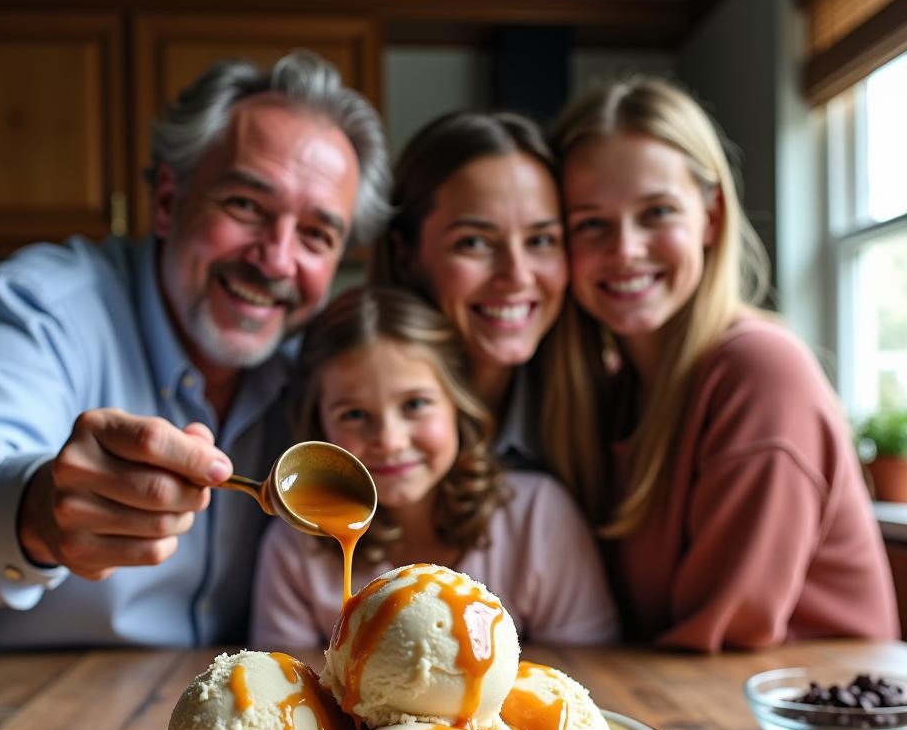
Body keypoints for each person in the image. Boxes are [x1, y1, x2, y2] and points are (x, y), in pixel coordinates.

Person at [0, 51, 390, 652]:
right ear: (168, 202)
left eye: (316, 234)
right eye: (246, 206)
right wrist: (38, 513)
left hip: (195, 722)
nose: (277, 259)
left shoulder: (318, 365)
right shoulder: (38, 305)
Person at [546, 75, 898, 651]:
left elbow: (720, 639)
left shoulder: (760, 372)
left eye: (656, 212)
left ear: (710, 218)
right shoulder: (617, 390)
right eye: (590, 223)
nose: (626, 249)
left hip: (812, 721)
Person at [250, 285, 619, 649]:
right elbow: (286, 685)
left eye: (414, 405)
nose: (390, 440)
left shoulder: (538, 518)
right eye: (355, 414)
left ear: (457, 401)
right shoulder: (296, 549)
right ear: (319, 425)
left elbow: (584, 669)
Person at [371, 111, 568, 468]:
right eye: (474, 243)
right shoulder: (343, 412)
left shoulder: (604, 413)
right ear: (405, 256)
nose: (519, 276)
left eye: (540, 239)